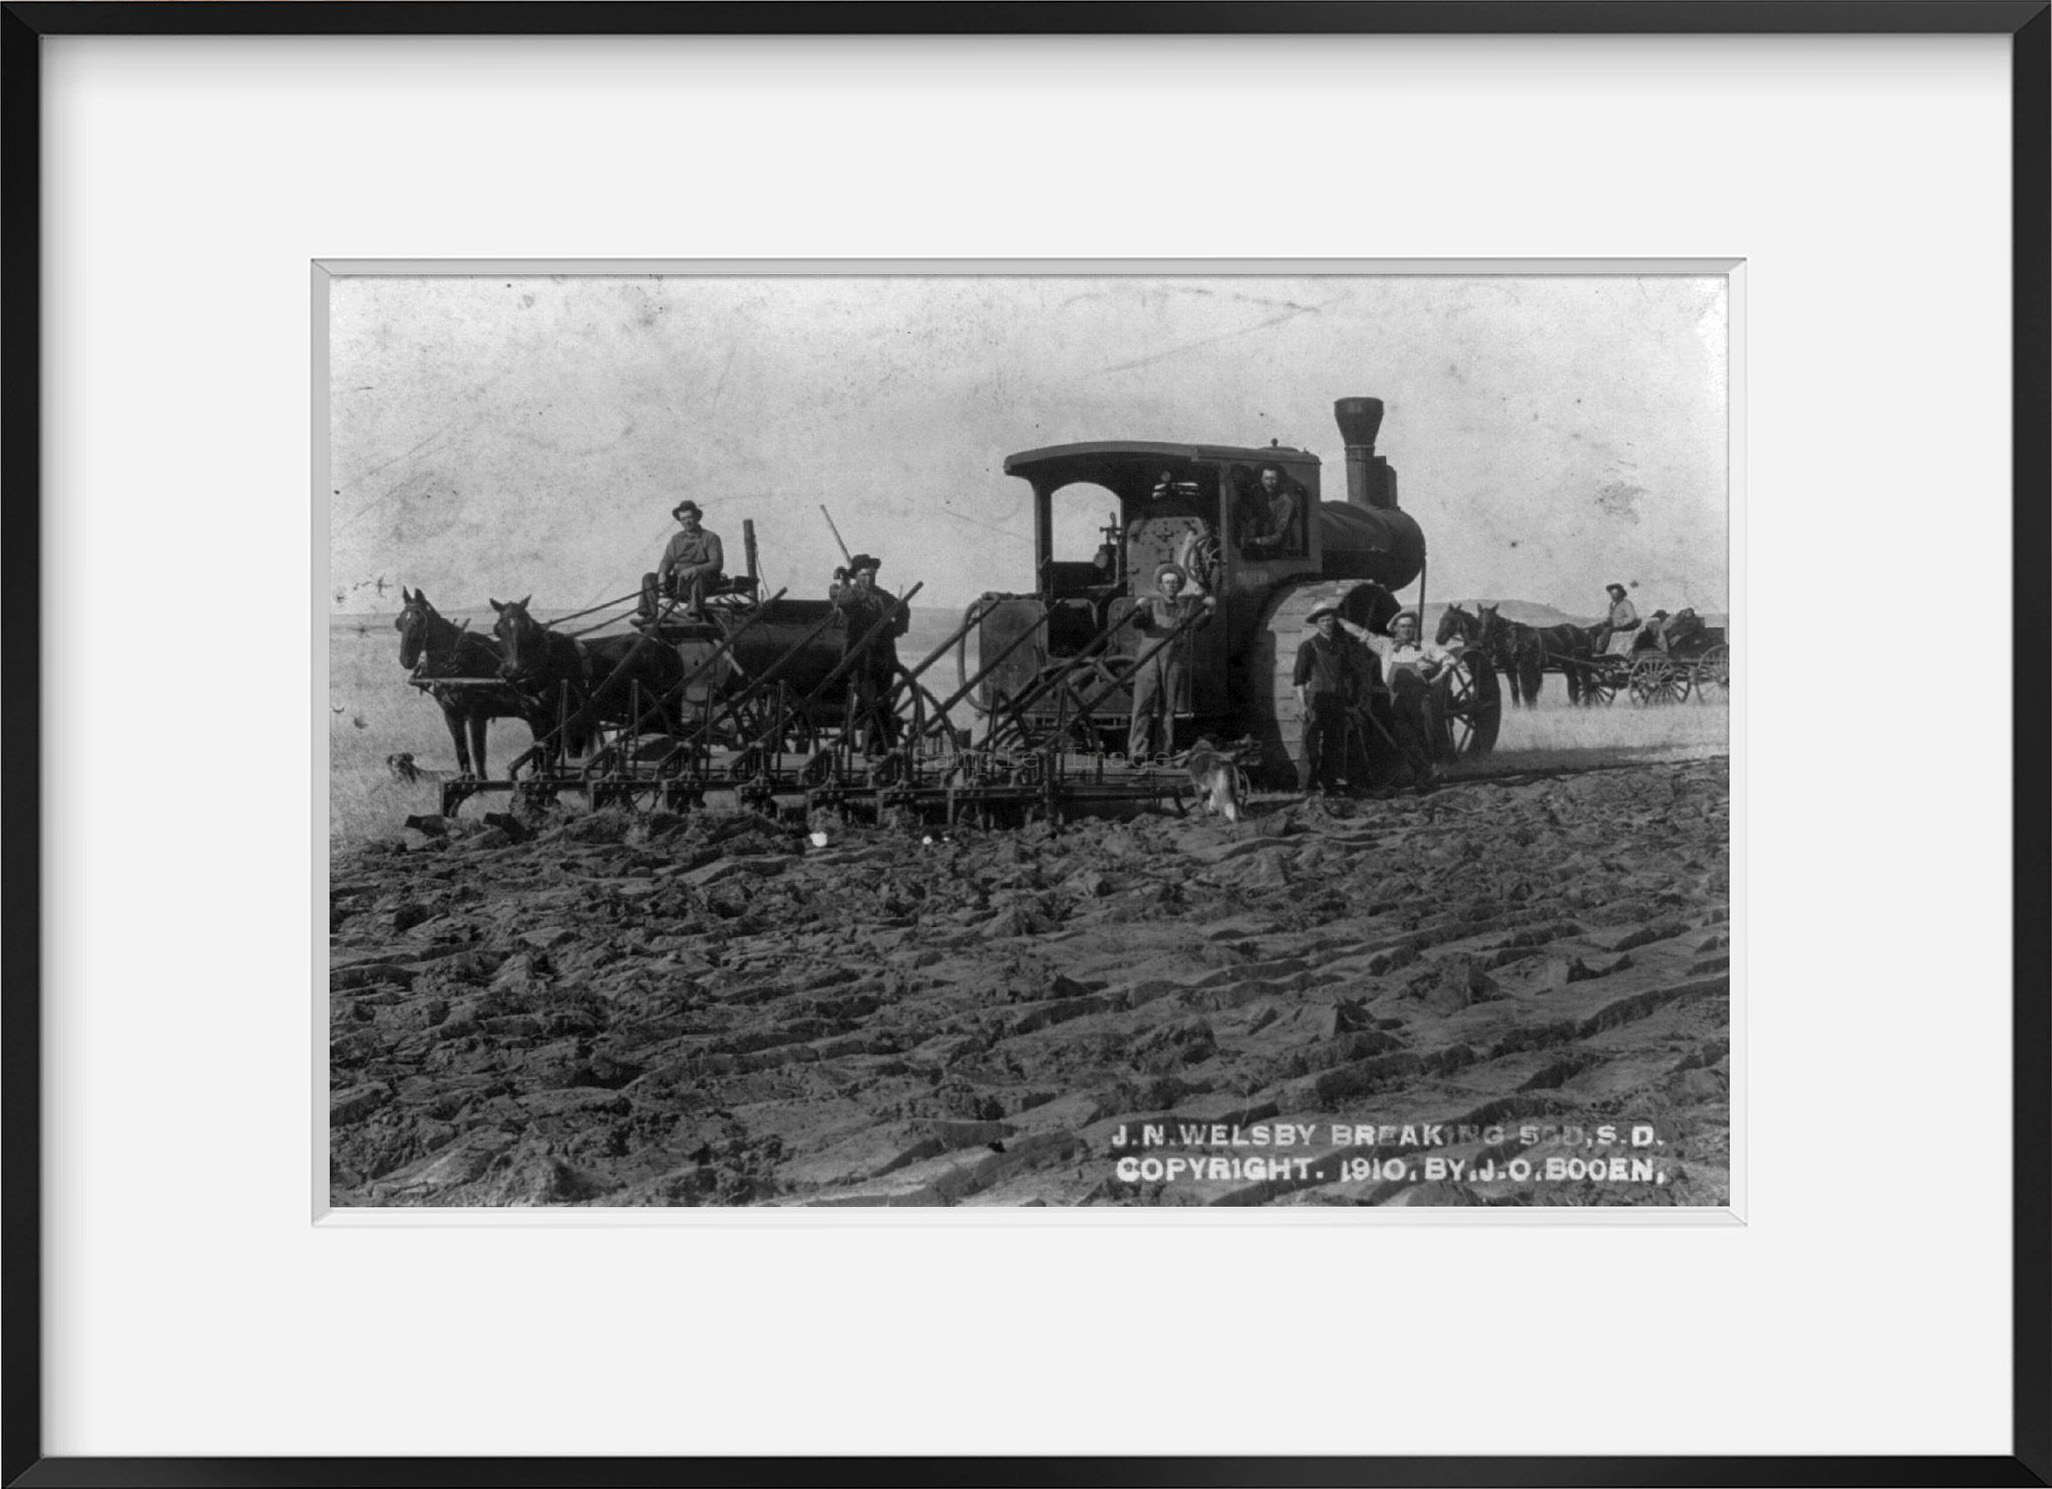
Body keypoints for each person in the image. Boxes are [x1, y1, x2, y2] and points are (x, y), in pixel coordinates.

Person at [1126, 563, 1215, 763]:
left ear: (1179, 586)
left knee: (1168, 708)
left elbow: (1196, 625)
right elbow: (1137, 623)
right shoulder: (1151, 606)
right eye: (1167, 582)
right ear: (1161, 585)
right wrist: (1138, 609)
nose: (1171, 586)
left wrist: (1209, 612)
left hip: (1173, 658)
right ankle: (1137, 751)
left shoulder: (1186, 608)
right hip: (1149, 657)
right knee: (1143, 704)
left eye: (1174, 582)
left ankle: (1162, 751)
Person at [1363, 609, 1456, 783]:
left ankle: (1428, 773)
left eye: (1410, 626)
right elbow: (1363, 636)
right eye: (1403, 626)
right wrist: (1340, 622)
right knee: (1404, 737)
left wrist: (1437, 678)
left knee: (1421, 736)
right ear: (1396, 629)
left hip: (1418, 703)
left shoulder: (1422, 648)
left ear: (1414, 629)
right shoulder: (1387, 648)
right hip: (1396, 703)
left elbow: (1449, 659)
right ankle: (1427, 772)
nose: (1407, 630)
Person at [1291, 601, 1373, 794]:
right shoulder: (1308, 646)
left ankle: (1328, 783)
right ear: (1317, 624)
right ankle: (1307, 785)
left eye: (1330, 619)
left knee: (1333, 743)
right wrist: (1303, 705)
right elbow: (1299, 679)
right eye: (1323, 620)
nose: (1327, 623)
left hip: (1336, 700)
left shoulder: (1340, 646)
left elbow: (1348, 674)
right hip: (1316, 700)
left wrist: (1351, 700)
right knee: (1310, 743)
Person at [831, 553, 908, 753]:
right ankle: (866, 744)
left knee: (882, 699)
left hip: (885, 657)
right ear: (856, 575)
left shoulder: (881, 595)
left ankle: (875, 746)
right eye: (864, 575)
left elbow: (903, 608)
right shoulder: (844, 591)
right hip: (859, 657)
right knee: (868, 700)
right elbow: (845, 603)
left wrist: (895, 629)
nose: (869, 579)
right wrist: (845, 581)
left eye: (872, 575)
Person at [638, 500, 724, 621]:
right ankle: (649, 616)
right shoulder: (676, 539)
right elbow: (666, 561)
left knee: (697, 576)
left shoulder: (710, 537)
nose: (686, 522)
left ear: (697, 517)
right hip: (680, 582)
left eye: (689, 517)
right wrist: (662, 573)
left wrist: (694, 569)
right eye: (683, 519)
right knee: (649, 578)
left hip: (704, 581)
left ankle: (693, 614)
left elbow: (716, 563)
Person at [1240, 461, 1302, 558]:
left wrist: (1253, 541)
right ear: (1261, 480)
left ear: (1279, 480)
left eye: (1273, 479)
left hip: (1274, 551)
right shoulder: (1258, 496)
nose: (1269, 483)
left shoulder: (1284, 502)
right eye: (1266, 479)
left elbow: (1279, 536)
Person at [1598, 582, 1640, 657]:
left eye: (1615, 593)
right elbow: (1610, 616)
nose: (1613, 596)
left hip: (1625, 627)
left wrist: (1620, 622)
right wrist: (1605, 621)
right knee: (1595, 628)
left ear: (1621, 593)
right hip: (1615, 625)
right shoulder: (1612, 604)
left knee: (1607, 630)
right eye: (1611, 594)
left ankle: (1600, 650)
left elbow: (1632, 617)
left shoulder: (1626, 603)